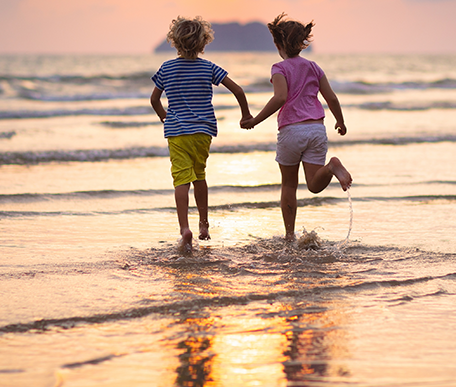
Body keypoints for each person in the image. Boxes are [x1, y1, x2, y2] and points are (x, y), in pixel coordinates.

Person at [241, 14, 352, 241]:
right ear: (302, 43)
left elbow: (280, 98)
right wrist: (340, 121)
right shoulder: (313, 67)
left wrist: (255, 120)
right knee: (313, 184)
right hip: (316, 129)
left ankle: (290, 236)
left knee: (289, 185)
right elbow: (331, 98)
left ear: (278, 45)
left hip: (291, 131)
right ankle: (331, 167)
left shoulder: (279, 68)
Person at [151, 16, 251, 253]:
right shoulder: (209, 67)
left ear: (174, 41)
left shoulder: (166, 67)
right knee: (199, 175)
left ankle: (184, 227)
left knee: (180, 179)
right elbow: (238, 90)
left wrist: (165, 117)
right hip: (203, 131)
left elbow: (154, 99)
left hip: (177, 132)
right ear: (203, 43)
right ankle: (204, 225)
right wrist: (246, 115)